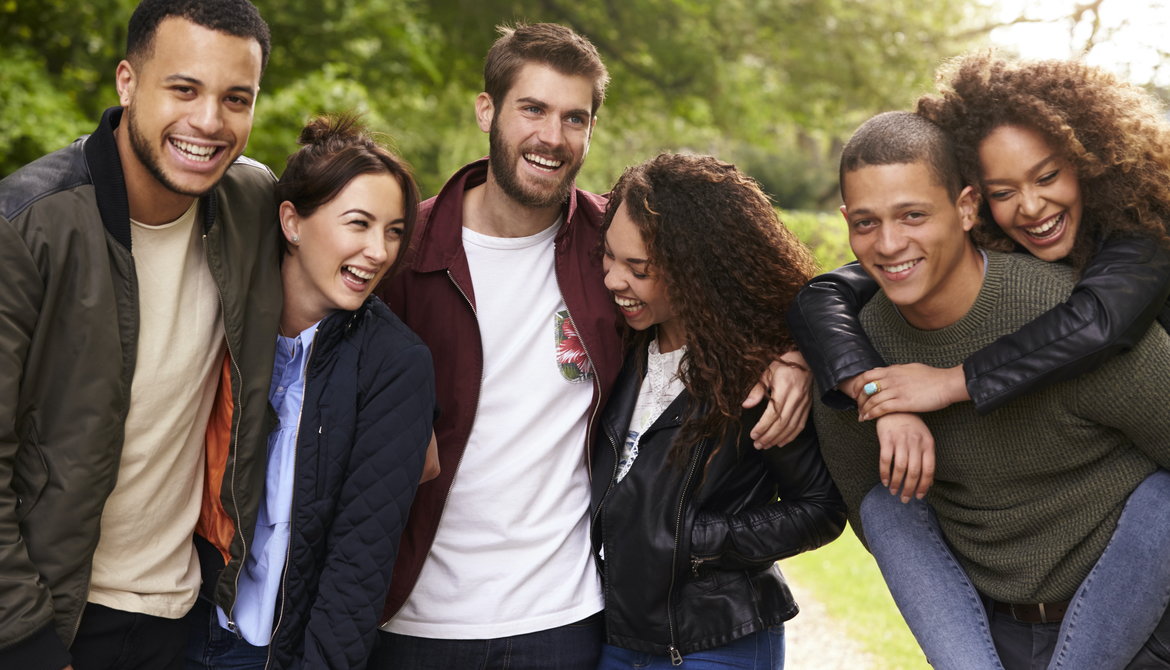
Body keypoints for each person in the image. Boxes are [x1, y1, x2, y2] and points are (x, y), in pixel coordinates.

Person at [368, 22, 810, 669]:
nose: (553, 135)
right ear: (486, 110)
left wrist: (791, 351)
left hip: (565, 618)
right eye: (533, 109)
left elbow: (734, 278)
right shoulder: (403, 251)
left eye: (575, 117)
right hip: (416, 617)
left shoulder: (620, 244)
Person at [787, 53, 1170, 668]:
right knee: (890, 504)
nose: (1030, 206)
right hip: (996, 632)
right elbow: (831, 289)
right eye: (1004, 191)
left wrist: (949, 382)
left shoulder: (1127, 264)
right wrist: (861, 382)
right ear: (979, 202)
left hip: (1141, 626)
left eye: (1047, 176)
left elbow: (1097, 323)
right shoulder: (867, 325)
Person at [0, 1, 280, 669]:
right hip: (54, 620)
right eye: (184, 88)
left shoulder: (254, 206)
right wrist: (24, 639)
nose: (209, 122)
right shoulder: (26, 227)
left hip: (188, 618)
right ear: (127, 82)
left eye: (235, 98)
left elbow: (356, 245)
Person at [184, 114, 439, 670]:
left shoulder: (396, 365)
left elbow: (359, 567)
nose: (378, 251)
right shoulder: (215, 315)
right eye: (359, 224)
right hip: (177, 622)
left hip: (274, 649)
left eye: (394, 231)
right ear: (292, 223)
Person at [591, 153, 846, 668]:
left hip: (715, 643)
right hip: (614, 635)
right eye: (608, 258)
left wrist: (697, 538)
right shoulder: (618, 347)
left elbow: (820, 507)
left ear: (696, 271)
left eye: (639, 269)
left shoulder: (758, 374)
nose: (614, 281)